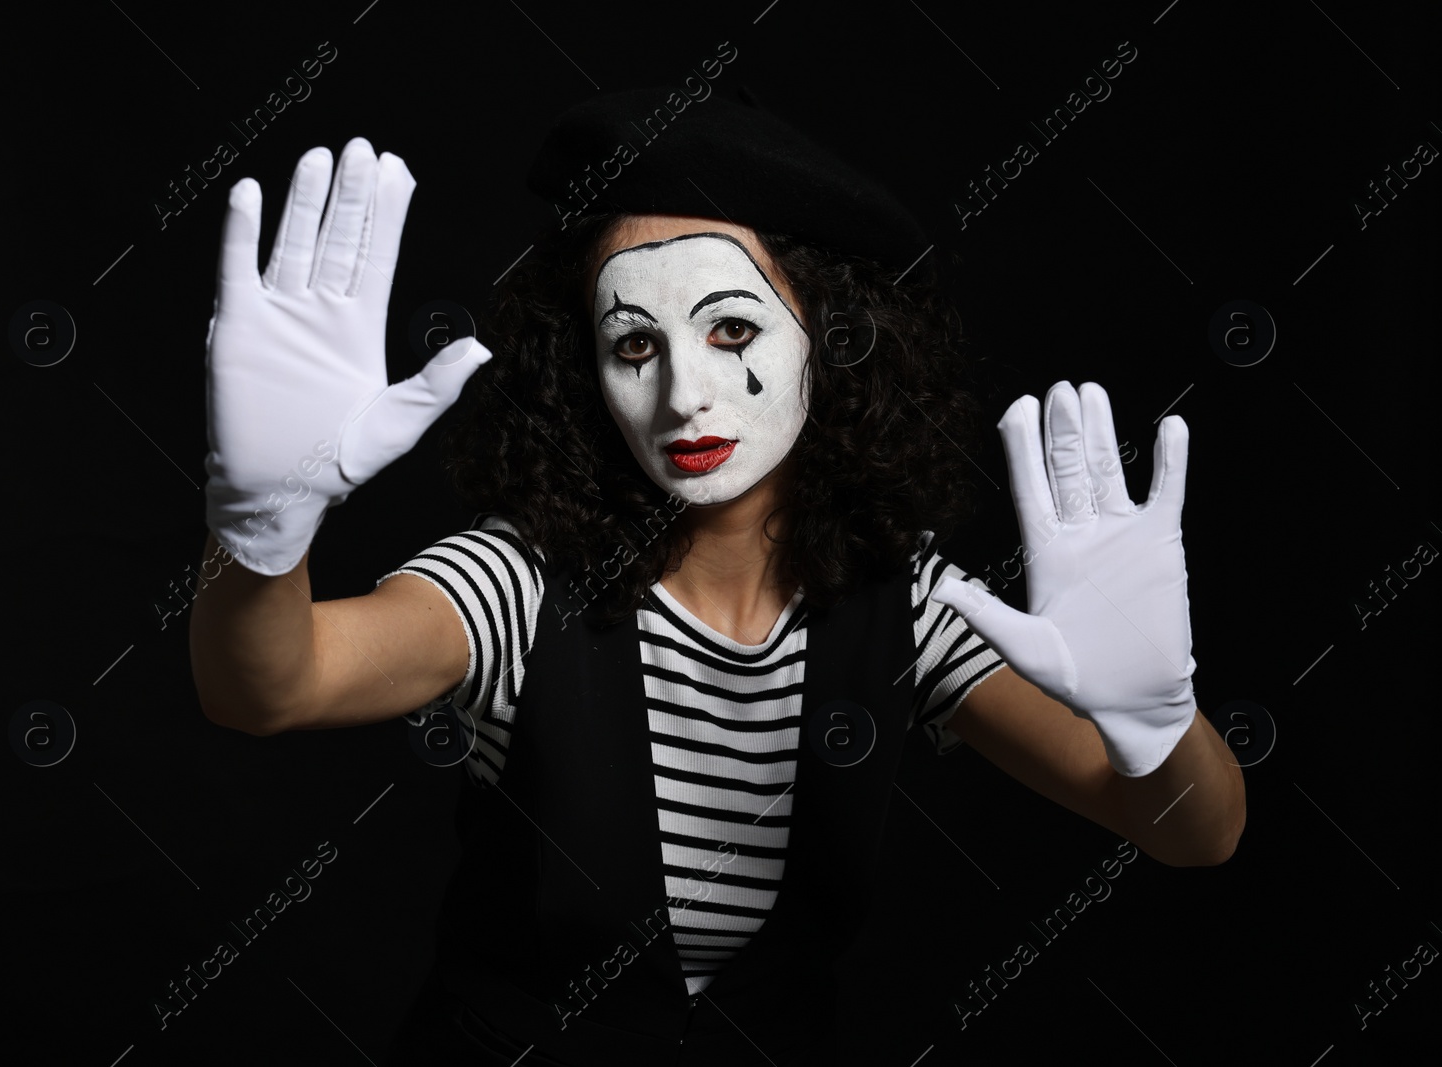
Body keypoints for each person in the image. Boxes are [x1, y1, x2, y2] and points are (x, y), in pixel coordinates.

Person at [188, 88, 1246, 1065]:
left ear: (828, 342)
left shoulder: (906, 606)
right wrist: (261, 533)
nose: (684, 392)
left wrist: (1157, 723)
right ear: (586, 371)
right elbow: (268, 686)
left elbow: (1192, 830)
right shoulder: (519, 580)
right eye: (633, 344)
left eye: (731, 327)